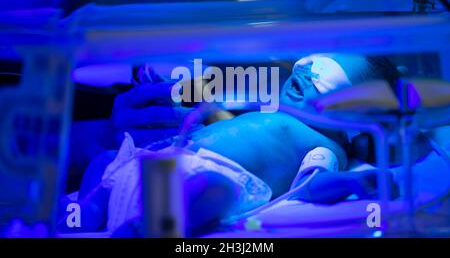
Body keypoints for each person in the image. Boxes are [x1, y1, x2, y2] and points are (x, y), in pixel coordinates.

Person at [57, 53, 406, 235]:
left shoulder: (326, 145)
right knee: (105, 159)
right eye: (309, 61)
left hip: (207, 176)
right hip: (156, 162)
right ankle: (88, 211)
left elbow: (313, 185)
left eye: (328, 78)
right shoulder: (268, 105)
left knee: (210, 189)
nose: (307, 72)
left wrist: (354, 181)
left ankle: (145, 226)